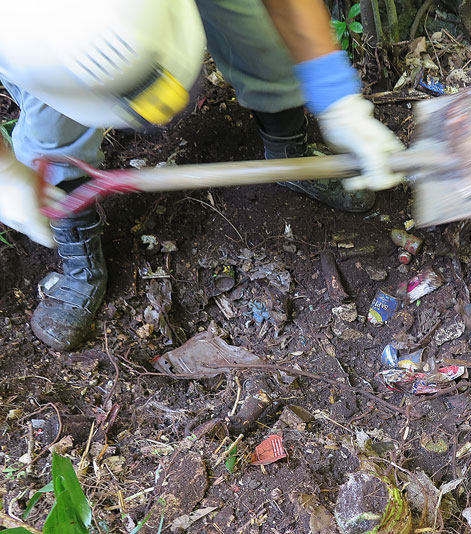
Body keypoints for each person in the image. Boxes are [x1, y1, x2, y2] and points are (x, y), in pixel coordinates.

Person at [0, 0, 404, 351]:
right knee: (51, 131)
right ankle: (78, 247)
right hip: (43, 56)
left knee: (257, 31)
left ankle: (288, 150)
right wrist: (5, 174)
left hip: (144, 20)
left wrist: (337, 99)